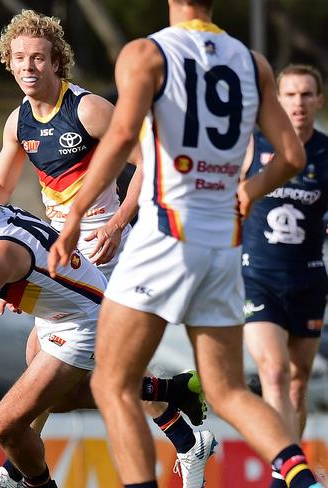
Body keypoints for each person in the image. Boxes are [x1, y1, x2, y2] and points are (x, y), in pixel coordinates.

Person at [48, 0, 323, 487]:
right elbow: (292, 154)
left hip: (167, 235)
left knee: (112, 382)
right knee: (228, 389)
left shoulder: (146, 53)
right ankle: (304, 481)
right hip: (223, 246)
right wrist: (249, 191)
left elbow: (118, 140)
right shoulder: (251, 60)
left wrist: (73, 216)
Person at [0, 9, 211, 488]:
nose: (29, 67)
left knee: (69, 362)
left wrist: (118, 225)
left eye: (39, 58)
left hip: (110, 245)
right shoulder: (17, 121)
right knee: (52, 364)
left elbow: (149, 165)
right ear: (8, 62)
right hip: (62, 248)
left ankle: (15, 472)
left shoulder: (86, 109)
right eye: (20, 58)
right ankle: (185, 430)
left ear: (56, 62)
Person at [0, 174, 206, 488]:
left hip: (84, 324)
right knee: (57, 400)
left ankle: (19, 480)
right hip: (71, 309)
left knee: (6, 425)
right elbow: (38, 257)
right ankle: (172, 390)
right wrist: (18, 292)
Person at [241, 64, 328, 488]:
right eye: (289, 95)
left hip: (309, 279)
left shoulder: (326, 153)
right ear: (277, 101)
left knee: (297, 384)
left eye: (305, 94)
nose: (297, 103)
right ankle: (291, 480)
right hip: (257, 276)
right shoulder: (253, 144)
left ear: (318, 100)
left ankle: (287, 474)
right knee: (272, 373)